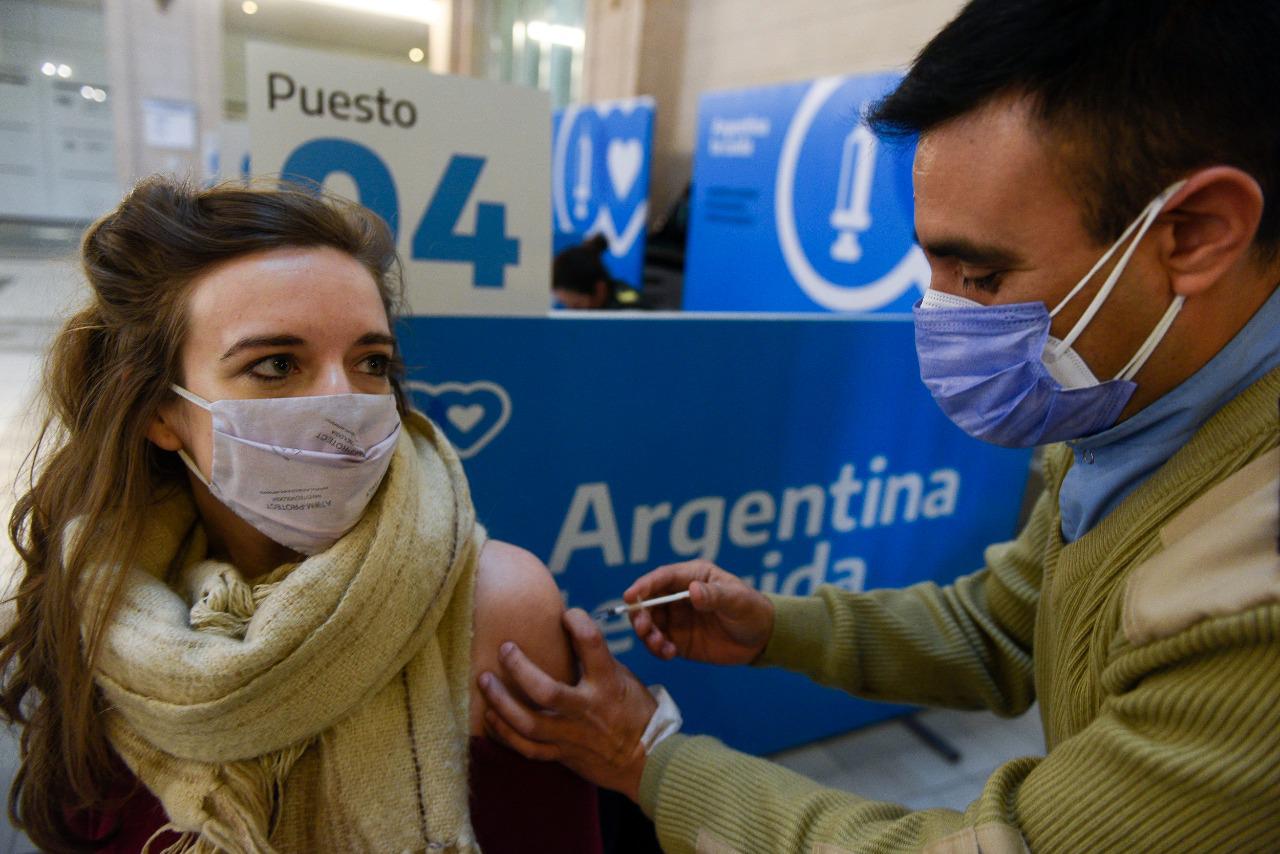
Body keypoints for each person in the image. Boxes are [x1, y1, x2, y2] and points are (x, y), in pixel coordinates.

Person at [478, 1, 1280, 850]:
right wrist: (778, 629)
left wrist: (650, 757)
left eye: (980, 272)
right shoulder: (1131, 406)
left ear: (1195, 233)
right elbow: (1004, 629)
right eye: (932, 265)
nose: (941, 318)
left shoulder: (1252, 593)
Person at [0, 178, 602, 853]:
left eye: (371, 361)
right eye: (278, 364)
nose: (344, 407)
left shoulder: (496, 605)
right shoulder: (99, 599)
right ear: (159, 413)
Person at [553, 234, 647, 310]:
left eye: (578, 306)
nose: (570, 312)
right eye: (566, 304)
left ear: (600, 289)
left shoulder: (631, 312)